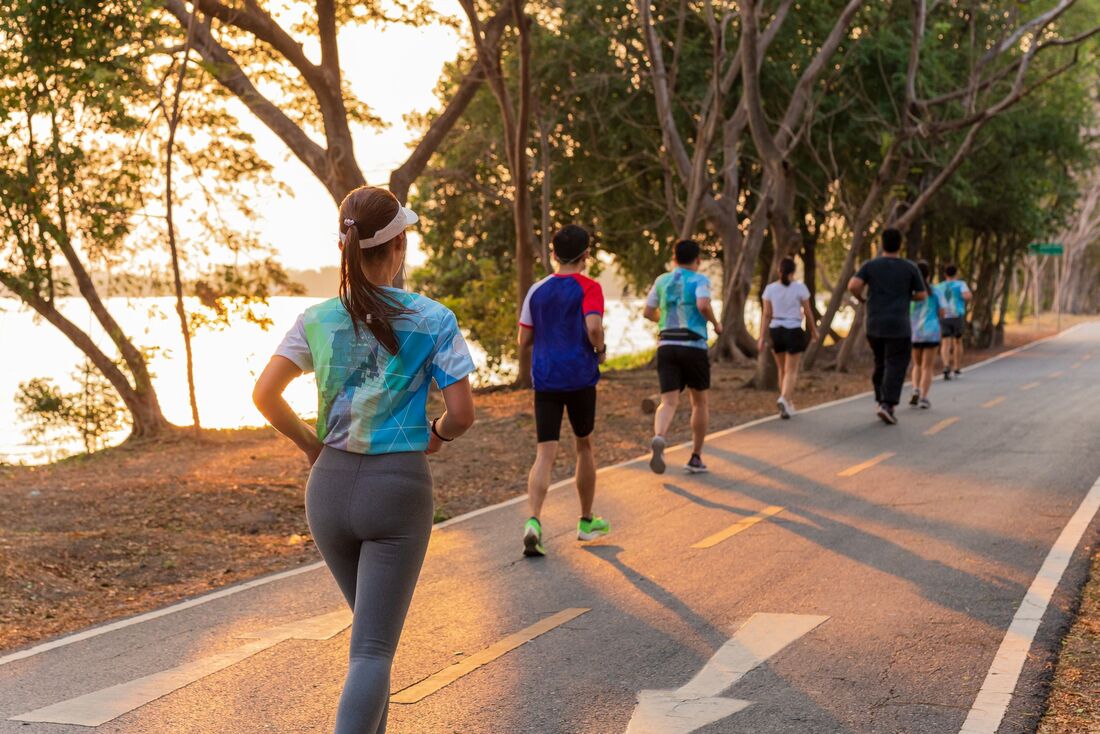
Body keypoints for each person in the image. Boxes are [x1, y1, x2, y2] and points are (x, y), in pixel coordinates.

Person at [253, 186, 476, 734]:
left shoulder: (316, 319)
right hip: (397, 490)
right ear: (398, 245)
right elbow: (462, 413)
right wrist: (437, 437)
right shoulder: (434, 318)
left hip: (327, 491)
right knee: (372, 651)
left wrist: (312, 446)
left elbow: (264, 396)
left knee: (369, 641)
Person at [517, 224, 610, 558]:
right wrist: (599, 350)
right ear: (586, 256)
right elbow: (594, 326)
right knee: (583, 445)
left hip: (546, 379)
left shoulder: (536, 291)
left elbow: (524, 340)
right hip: (581, 377)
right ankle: (585, 522)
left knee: (545, 452)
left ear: (553, 254)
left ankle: (534, 522)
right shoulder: (590, 288)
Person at [644, 239, 723, 474]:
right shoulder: (700, 279)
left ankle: (659, 436)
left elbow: (648, 311)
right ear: (697, 260)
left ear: (674, 259)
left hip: (666, 344)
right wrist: (716, 324)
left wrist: (664, 319)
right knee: (699, 402)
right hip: (693, 345)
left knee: (668, 401)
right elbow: (702, 305)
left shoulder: (662, 280)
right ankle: (696, 457)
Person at [847, 228, 927, 425]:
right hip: (898, 324)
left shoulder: (871, 266)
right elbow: (922, 294)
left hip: (874, 323)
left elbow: (853, 285)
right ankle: (888, 405)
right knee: (896, 363)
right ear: (900, 245)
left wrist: (861, 298)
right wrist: (907, 295)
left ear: (882, 244)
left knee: (880, 361)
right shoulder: (909, 267)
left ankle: (880, 400)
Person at [759, 256, 818, 419]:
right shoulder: (800, 288)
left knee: (782, 369)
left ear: (779, 271)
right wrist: (813, 331)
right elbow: (808, 312)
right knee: (791, 371)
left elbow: (766, 314)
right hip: (793, 329)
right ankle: (784, 399)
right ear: (793, 272)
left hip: (776, 330)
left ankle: (787, 402)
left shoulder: (770, 289)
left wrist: (761, 337)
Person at [908, 261, 945, 409]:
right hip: (932, 333)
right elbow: (942, 312)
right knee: (927, 367)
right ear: (929, 275)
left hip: (915, 332)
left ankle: (915, 389)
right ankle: (923, 397)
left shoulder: (911, 292)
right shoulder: (936, 291)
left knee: (916, 364)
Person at [935, 264, 972, 379]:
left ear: (945, 274)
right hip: (957, 315)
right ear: (956, 274)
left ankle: (946, 366)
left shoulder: (939, 286)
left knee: (945, 342)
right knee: (958, 341)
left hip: (944, 316)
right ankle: (956, 367)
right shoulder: (960, 284)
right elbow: (967, 296)